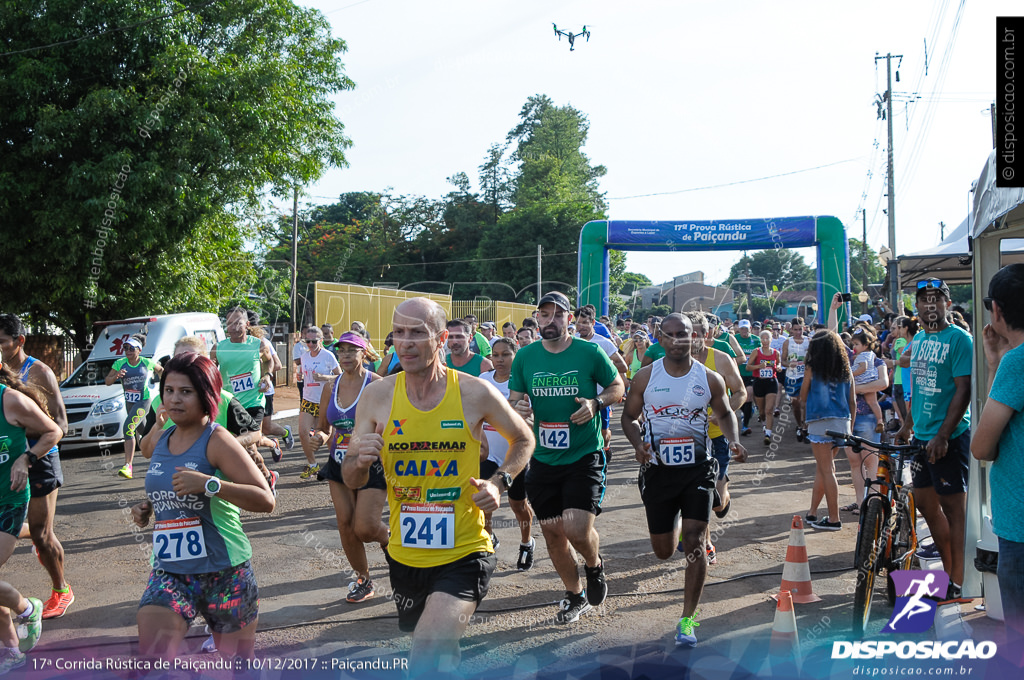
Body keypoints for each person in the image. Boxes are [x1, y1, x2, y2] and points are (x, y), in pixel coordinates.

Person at [344, 298, 533, 672]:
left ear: (442, 338)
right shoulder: (377, 396)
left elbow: (524, 438)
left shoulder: (473, 392)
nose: (406, 342)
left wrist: (499, 482)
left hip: (465, 551)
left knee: (427, 651)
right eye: (398, 333)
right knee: (438, 651)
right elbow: (352, 478)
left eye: (418, 333)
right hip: (405, 554)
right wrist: (358, 460)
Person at [131, 353, 275, 663]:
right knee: (153, 656)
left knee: (239, 665)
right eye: (169, 391)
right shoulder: (163, 438)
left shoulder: (218, 440)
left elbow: (266, 500)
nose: (174, 399)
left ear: (206, 395)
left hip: (225, 571)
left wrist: (210, 484)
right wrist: (149, 509)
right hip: (172, 571)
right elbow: (171, 493)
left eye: (186, 392)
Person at [621, 313, 746, 646]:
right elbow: (629, 417)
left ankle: (687, 619)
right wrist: (639, 444)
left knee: (694, 541)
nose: (678, 340)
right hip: (658, 471)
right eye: (671, 334)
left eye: (685, 334)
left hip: (697, 470)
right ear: (660, 338)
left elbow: (725, 413)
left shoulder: (709, 378)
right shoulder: (646, 377)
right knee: (663, 551)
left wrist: (733, 440)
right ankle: (673, 524)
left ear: (696, 338)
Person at [508, 291, 624, 624]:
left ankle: (594, 565)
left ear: (569, 319)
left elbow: (617, 386)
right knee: (553, 534)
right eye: (544, 315)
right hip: (542, 460)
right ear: (537, 318)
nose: (551, 320)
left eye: (558, 314)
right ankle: (575, 596)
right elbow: (515, 401)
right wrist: (520, 411)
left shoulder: (589, 352)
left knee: (575, 528)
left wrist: (596, 403)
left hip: (584, 456)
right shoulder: (525, 357)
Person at [895, 278, 972, 603]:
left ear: (947, 303)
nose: (930, 305)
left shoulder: (960, 340)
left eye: (936, 299)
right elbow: (922, 388)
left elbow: (964, 389)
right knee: (926, 505)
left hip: (949, 437)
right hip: (921, 436)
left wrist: (942, 435)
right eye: (924, 300)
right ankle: (947, 572)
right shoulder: (922, 339)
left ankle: (959, 581)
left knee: (954, 510)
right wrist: (907, 425)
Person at [0, 315, 73, 619]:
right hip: (10, 457)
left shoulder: (39, 372)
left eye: (2, 342)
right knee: (33, 528)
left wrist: (28, 453)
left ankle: (61, 590)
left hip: (41, 456)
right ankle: (20, 530)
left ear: (19, 341)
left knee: (44, 535)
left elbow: (61, 425)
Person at [971, 263, 1024, 654]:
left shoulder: (1017, 363)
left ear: (997, 311)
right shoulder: (1009, 364)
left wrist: (998, 364)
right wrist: (994, 365)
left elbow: (982, 446)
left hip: (1020, 527)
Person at [316, 332, 388, 603]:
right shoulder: (330, 387)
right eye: (341, 351)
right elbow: (324, 428)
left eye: (351, 350)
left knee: (366, 528)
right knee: (345, 524)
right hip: (338, 463)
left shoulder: (378, 385)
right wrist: (318, 438)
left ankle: (389, 540)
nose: (345, 355)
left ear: (363, 353)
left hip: (371, 464)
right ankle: (363, 580)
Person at [0, 361, 62, 671]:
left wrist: (25, 459)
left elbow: (54, 430)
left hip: (8, 502)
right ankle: (12, 652)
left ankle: (27, 610)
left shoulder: (9, 400)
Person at [684, 311, 747, 564]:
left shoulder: (721, 360)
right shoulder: (674, 361)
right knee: (701, 495)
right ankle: (705, 543)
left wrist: (722, 412)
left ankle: (725, 493)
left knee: (718, 504)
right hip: (688, 439)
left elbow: (741, 392)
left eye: (699, 332)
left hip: (717, 435)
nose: (694, 337)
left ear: (708, 334)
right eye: (690, 332)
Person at [480, 338, 537, 569]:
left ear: (515, 356)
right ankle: (489, 539)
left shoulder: (523, 383)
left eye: (505, 355)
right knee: (484, 502)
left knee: (518, 505)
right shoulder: (483, 381)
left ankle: (526, 542)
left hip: (515, 456)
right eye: (495, 355)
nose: (500, 359)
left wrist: (529, 420)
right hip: (488, 454)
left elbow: (532, 421)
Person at [799, 330, 856, 531]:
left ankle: (834, 519)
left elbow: (802, 397)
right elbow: (853, 401)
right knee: (823, 469)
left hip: (819, 421)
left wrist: (802, 421)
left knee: (827, 470)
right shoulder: (846, 368)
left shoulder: (812, 368)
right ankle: (813, 512)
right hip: (842, 421)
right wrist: (851, 428)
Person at [105, 335, 163, 479]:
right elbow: (107, 381)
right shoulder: (120, 363)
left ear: (139, 350)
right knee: (144, 432)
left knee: (128, 428)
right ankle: (162, 458)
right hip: (129, 403)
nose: (128, 351)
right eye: (126, 348)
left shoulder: (146, 362)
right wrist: (116, 376)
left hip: (143, 401)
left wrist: (166, 388)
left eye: (132, 348)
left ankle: (128, 466)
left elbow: (161, 370)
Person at [575, 306, 629, 457]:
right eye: (578, 323)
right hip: (578, 395)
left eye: (585, 322)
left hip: (601, 395)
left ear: (593, 322)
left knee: (604, 432)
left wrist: (600, 368)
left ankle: (606, 449)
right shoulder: (572, 342)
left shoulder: (603, 342)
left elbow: (623, 367)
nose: (581, 327)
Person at [211, 307, 272, 433]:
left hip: (253, 402)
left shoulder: (258, 345)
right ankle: (273, 444)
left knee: (250, 441)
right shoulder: (218, 348)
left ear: (247, 324)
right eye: (229, 323)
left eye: (238, 323)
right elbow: (210, 372)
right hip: (229, 404)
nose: (233, 327)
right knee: (250, 448)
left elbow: (269, 360)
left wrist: (267, 375)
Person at [297, 327, 341, 479]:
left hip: (325, 400)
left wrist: (324, 377)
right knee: (303, 432)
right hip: (308, 399)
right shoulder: (304, 357)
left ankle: (335, 466)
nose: (310, 344)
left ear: (321, 340)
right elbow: (304, 376)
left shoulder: (328, 356)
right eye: (307, 341)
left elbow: (341, 377)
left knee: (327, 438)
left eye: (314, 341)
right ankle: (312, 464)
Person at [247, 312, 292, 453]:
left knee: (264, 430)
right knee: (252, 434)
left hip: (263, 391)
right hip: (245, 393)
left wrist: (261, 370)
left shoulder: (262, 343)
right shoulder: (235, 345)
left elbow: (277, 364)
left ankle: (284, 433)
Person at [745, 330, 781, 446]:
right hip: (759, 382)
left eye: (767, 338)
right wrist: (759, 366)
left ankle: (768, 435)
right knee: (762, 412)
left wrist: (779, 367)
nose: (765, 341)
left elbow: (778, 364)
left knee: (769, 410)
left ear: (771, 340)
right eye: (763, 339)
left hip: (771, 382)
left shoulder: (775, 353)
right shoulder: (756, 352)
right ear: (760, 340)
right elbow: (748, 367)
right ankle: (764, 422)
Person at [781, 318, 810, 442]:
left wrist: (807, 363)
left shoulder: (809, 341)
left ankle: (806, 427)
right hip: (792, 377)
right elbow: (782, 360)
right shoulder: (787, 342)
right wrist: (789, 364)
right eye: (795, 329)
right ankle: (799, 424)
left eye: (800, 329)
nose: (798, 332)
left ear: (804, 328)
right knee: (796, 404)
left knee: (806, 403)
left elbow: (813, 358)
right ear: (791, 330)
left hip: (805, 376)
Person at [850, 327, 885, 432]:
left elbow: (863, 368)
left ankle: (853, 421)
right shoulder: (871, 354)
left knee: (852, 398)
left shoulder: (861, 356)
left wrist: (851, 373)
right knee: (873, 402)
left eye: (856, 344)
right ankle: (880, 420)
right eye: (853, 344)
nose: (854, 347)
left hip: (863, 380)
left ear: (865, 345)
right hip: (871, 380)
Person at [733, 320, 760, 436]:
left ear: (750, 328)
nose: (744, 331)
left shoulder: (756, 340)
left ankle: (745, 425)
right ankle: (747, 411)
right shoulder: (734, 338)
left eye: (746, 328)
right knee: (740, 398)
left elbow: (760, 355)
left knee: (748, 395)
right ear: (739, 329)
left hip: (751, 373)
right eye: (742, 329)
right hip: (737, 373)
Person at [292, 328, 309, 396]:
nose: (307, 336)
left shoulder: (315, 345)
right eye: (306, 333)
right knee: (304, 399)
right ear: (302, 334)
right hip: (302, 377)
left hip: (315, 378)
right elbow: (297, 361)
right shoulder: (298, 346)